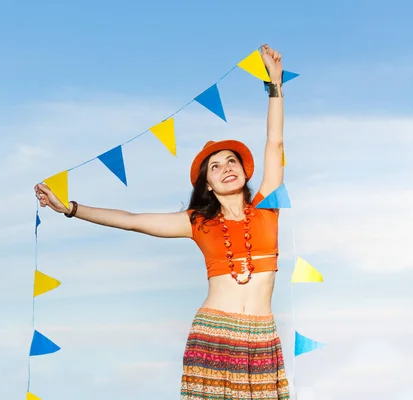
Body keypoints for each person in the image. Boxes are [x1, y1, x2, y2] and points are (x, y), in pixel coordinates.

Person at [34, 44, 290, 400]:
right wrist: (71, 208)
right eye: (214, 167)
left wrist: (274, 85)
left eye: (231, 161)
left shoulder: (268, 208)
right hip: (213, 335)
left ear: (244, 171)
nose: (225, 168)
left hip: (262, 338)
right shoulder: (197, 222)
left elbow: (274, 144)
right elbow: (131, 220)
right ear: (208, 185)